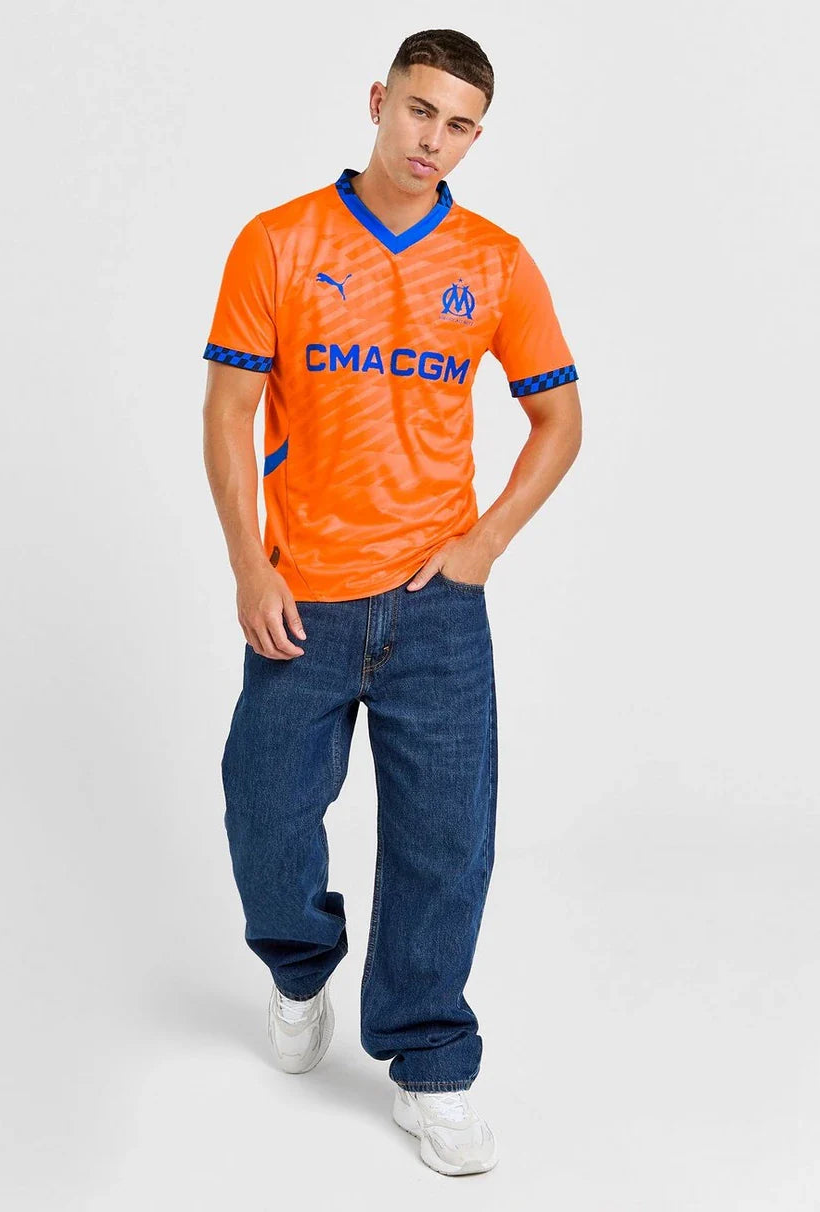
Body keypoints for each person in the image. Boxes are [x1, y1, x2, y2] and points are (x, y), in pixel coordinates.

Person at [201, 28, 581, 1177]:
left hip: (435, 610)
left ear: (475, 136)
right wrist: (249, 566)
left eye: (458, 126)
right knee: (264, 814)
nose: (433, 140)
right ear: (378, 100)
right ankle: (298, 966)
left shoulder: (494, 261)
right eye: (419, 111)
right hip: (302, 599)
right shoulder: (279, 241)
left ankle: (430, 1066)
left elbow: (557, 419)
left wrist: (482, 545)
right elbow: (228, 412)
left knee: (443, 842)